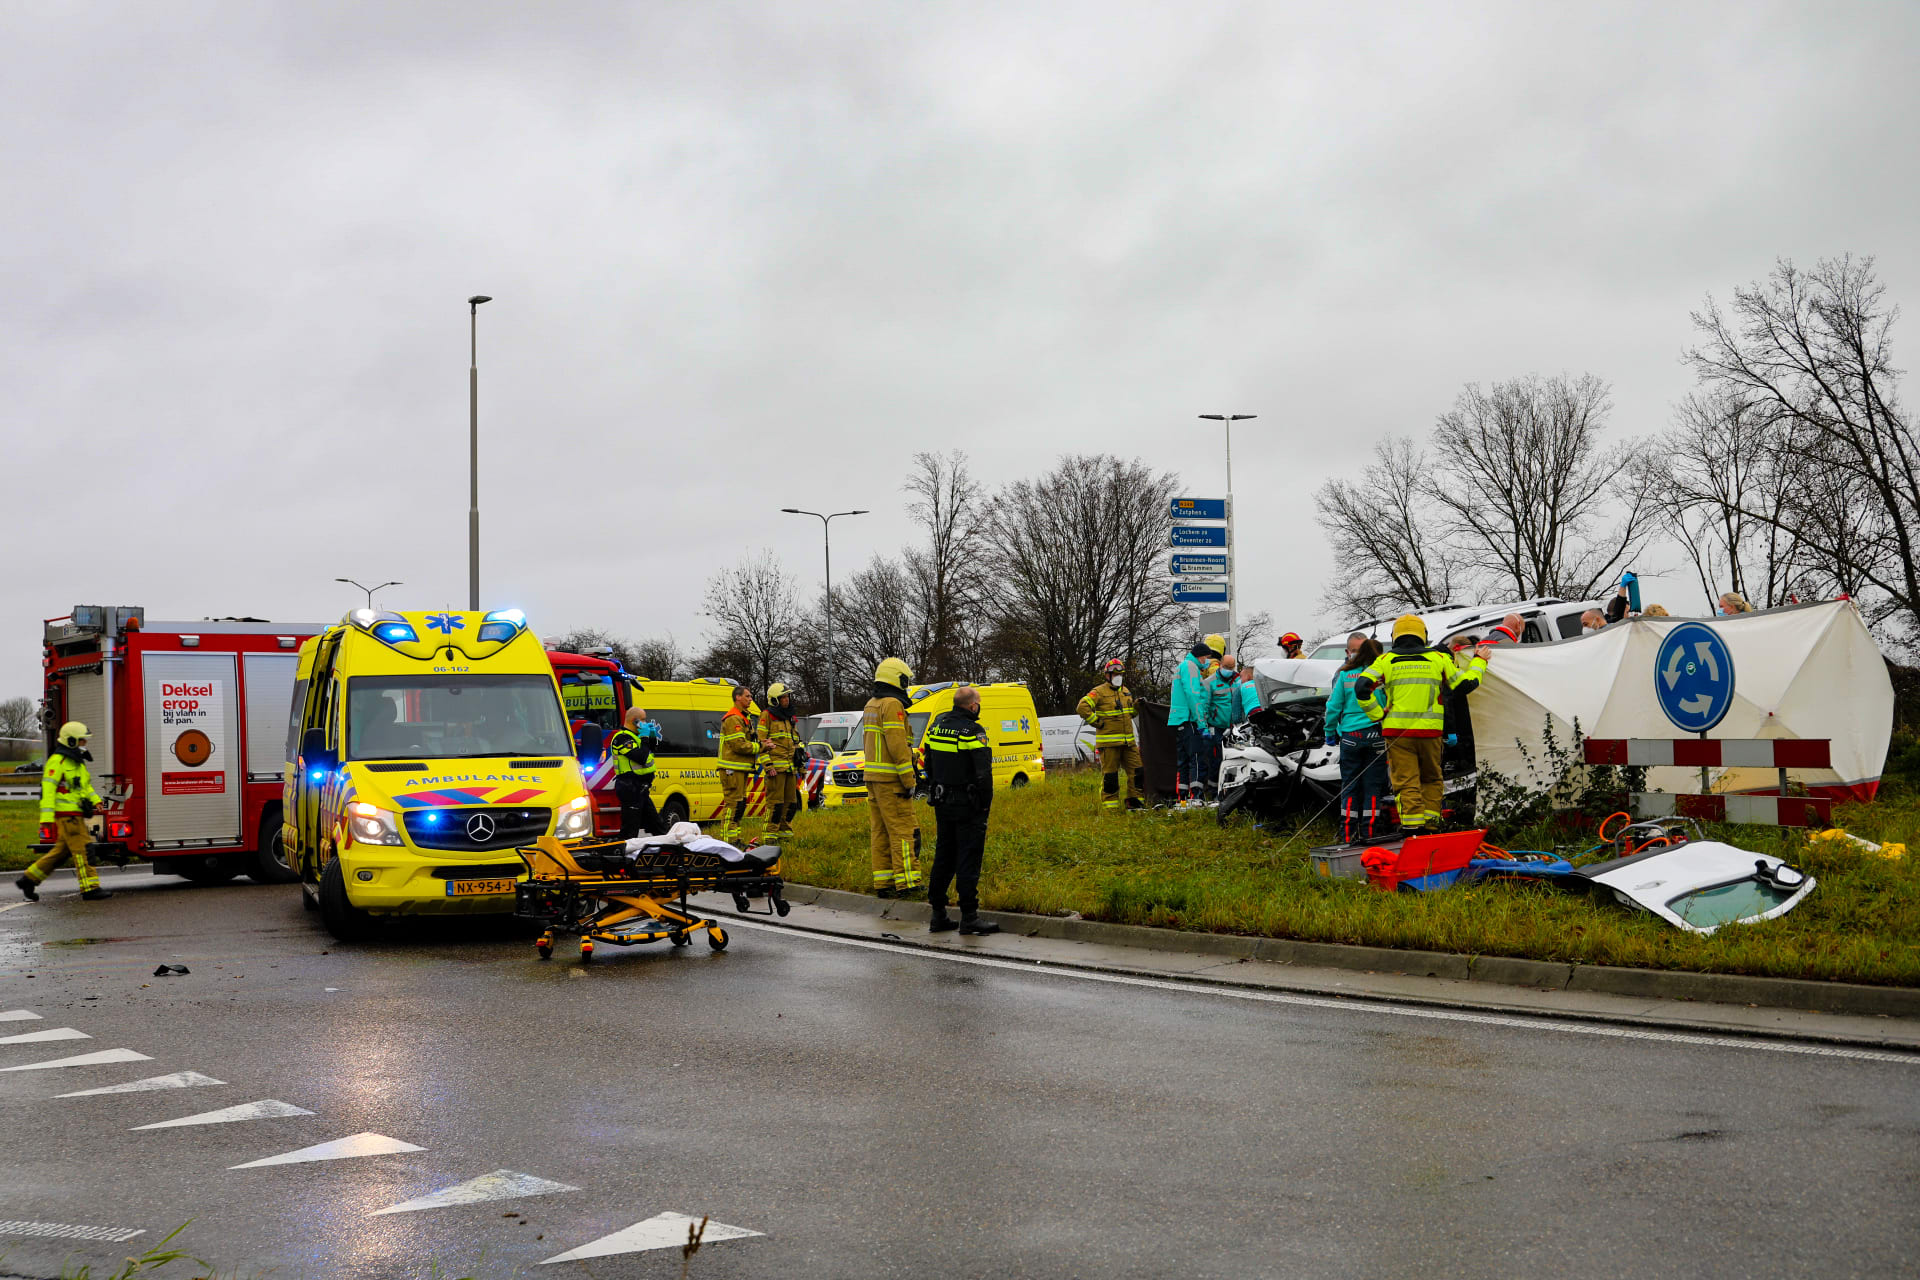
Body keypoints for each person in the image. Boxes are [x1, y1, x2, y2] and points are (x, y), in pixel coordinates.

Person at [1356, 616, 1490, 836]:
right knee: (1431, 779)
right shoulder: (1438, 659)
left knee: (1406, 781)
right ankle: (1431, 826)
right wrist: (1479, 661)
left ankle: (1411, 828)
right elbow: (1465, 685)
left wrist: (1377, 715)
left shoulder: (1386, 660)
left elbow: (1362, 688)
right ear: (1423, 635)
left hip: (1397, 733)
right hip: (1430, 732)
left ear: (1395, 636)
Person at [923, 684, 1000, 935]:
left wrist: (936, 786)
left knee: (944, 855)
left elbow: (929, 763)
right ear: (973, 706)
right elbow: (983, 773)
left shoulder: (936, 726)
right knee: (968, 857)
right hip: (967, 805)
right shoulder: (972, 731)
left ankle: (938, 914)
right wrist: (985, 805)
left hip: (942, 801)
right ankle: (969, 916)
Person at [17, 721, 110, 902]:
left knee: (60, 853)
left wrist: (96, 801)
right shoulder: (57, 762)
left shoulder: (77, 763)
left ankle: (28, 879)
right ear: (72, 741)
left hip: (75, 814)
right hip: (67, 816)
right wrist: (46, 818)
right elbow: (48, 791)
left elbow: (85, 788)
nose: (85, 744)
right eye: (82, 741)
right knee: (84, 849)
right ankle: (90, 888)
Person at [863, 657, 922, 898]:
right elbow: (897, 746)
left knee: (880, 832)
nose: (906, 686)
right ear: (896, 679)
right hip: (892, 782)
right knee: (903, 832)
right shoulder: (892, 706)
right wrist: (909, 780)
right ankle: (908, 882)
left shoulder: (871, 704)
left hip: (874, 780)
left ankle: (883, 882)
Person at [1324, 638, 1387, 843]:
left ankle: (1347, 835)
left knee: (1349, 785)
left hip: (1350, 736)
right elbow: (1388, 703)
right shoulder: (1381, 675)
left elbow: (1333, 707)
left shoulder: (1344, 675)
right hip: (1376, 735)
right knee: (1373, 786)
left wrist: (1330, 732)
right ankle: (1370, 833)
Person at [1077, 658, 1143, 811]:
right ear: (1107, 675)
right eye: (1114, 674)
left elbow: (1129, 714)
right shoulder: (1099, 692)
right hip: (1109, 745)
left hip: (1129, 743)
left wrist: (1137, 707)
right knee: (1110, 778)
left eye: (1120, 674)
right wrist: (1097, 722)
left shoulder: (1126, 692)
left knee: (1138, 773)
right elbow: (1082, 707)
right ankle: (1110, 809)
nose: (1117, 676)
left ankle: (1135, 805)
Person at [1167, 637, 1217, 808]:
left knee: (1183, 760)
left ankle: (1182, 799)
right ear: (1200, 656)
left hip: (1179, 720)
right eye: (1206, 658)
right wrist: (1202, 724)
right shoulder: (1191, 667)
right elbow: (1193, 695)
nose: (1207, 662)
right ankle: (1196, 797)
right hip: (1190, 720)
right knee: (1196, 758)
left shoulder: (1182, 667)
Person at [715, 684, 764, 845]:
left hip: (739, 770)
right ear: (738, 697)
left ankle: (735, 839)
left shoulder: (743, 717)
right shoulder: (733, 719)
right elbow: (739, 745)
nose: (750, 699)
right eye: (748, 696)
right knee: (733, 805)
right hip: (731, 770)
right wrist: (761, 747)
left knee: (740, 805)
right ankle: (728, 841)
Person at [608, 706, 661, 839]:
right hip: (629, 788)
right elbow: (641, 757)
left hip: (641, 789)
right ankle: (624, 855)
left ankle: (667, 851)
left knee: (657, 826)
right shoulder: (622, 738)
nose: (645, 722)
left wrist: (652, 735)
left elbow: (651, 750)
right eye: (643, 720)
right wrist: (644, 737)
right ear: (634, 720)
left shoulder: (635, 737)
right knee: (630, 830)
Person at [758, 683, 802, 838]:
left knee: (791, 804)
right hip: (775, 769)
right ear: (775, 700)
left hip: (791, 768)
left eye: (787, 696)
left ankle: (785, 833)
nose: (786, 699)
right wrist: (768, 765)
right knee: (775, 804)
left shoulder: (789, 717)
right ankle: (769, 835)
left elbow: (795, 741)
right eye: (783, 697)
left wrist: (801, 765)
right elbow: (761, 743)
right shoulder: (767, 716)